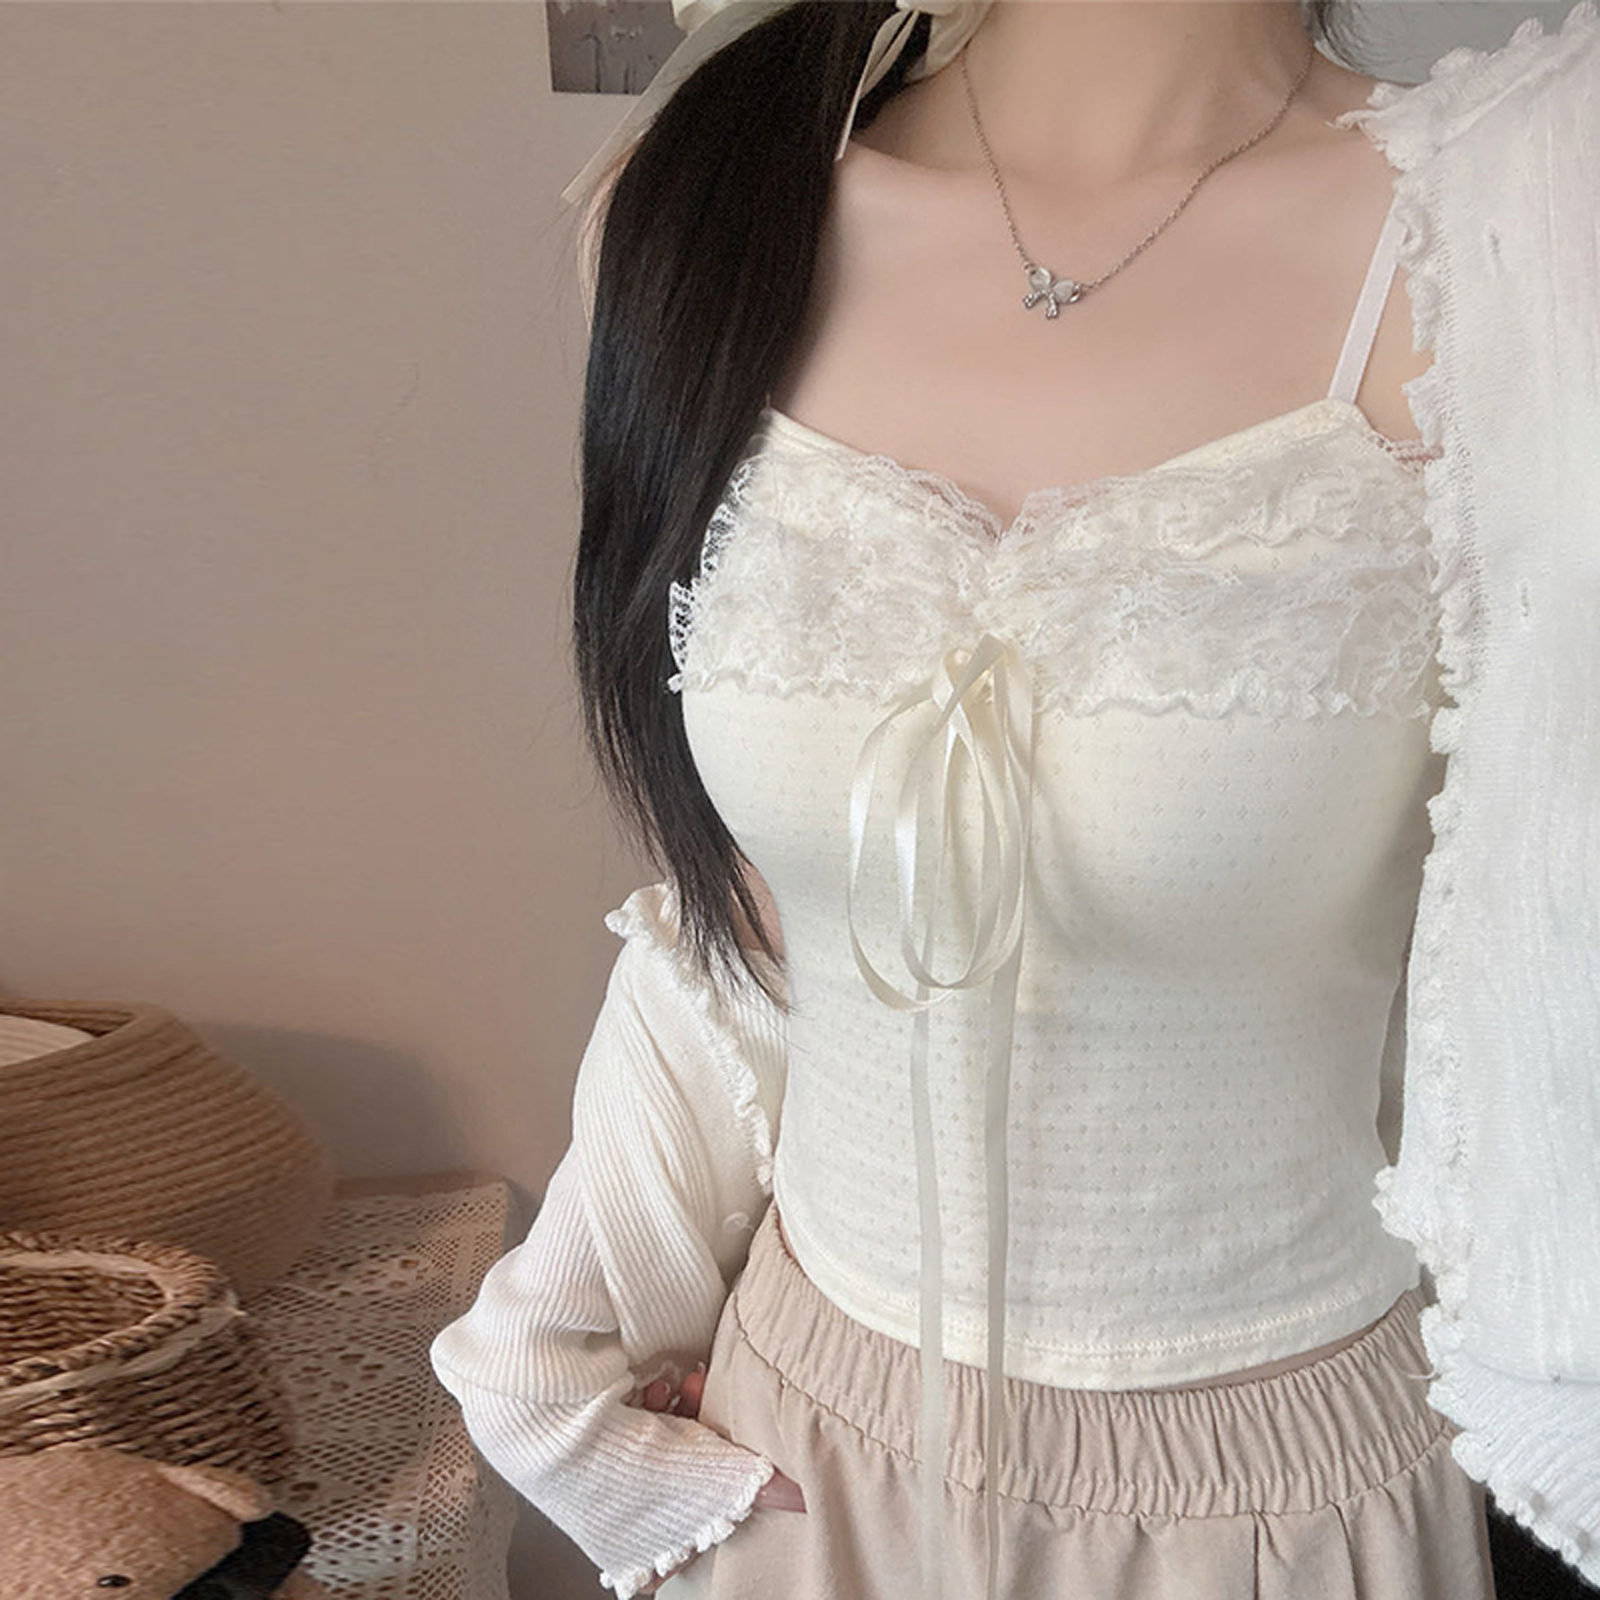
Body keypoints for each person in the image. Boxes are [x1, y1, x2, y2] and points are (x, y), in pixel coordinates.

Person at [429, 3, 1600, 1598]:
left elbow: (1544, 976)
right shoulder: (706, 198)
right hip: (802, 1473)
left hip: (1276, 1503)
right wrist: (550, 1341)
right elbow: (757, 926)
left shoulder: (1511, 241)